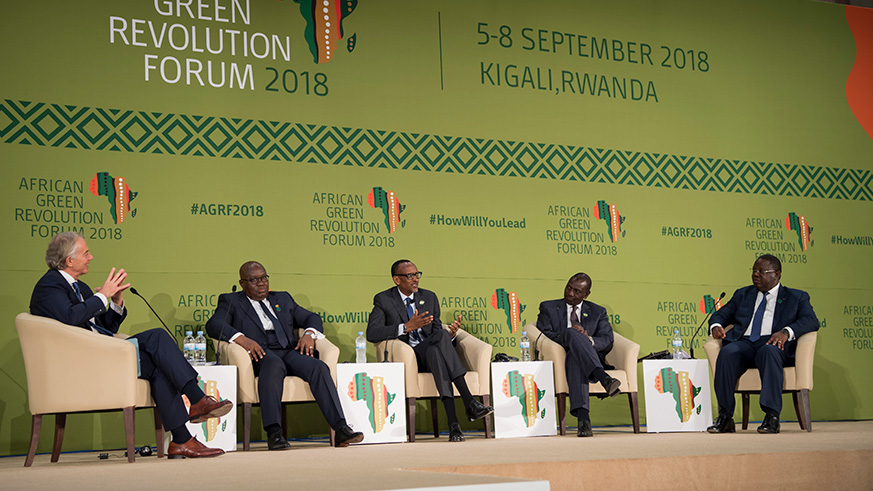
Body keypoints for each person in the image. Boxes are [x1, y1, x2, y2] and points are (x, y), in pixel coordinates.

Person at [29, 232, 231, 458]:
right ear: (69, 260)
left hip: (103, 353)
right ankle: (197, 400)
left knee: (159, 366)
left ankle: (182, 440)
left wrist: (115, 302)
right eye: (86, 253)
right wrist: (102, 296)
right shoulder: (49, 286)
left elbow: (105, 328)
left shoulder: (81, 288)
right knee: (157, 337)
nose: (91, 257)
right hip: (79, 364)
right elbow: (69, 317)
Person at [205, 261, 363, 450]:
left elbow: (312, 318)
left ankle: (341, 429)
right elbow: (214, 325)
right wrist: (242, 339)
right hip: (260, 353)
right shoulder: (231, 301)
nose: (261, 283)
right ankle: (274, 433)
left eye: (264, 278)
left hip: (288, 350)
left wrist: (308, 334)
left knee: (318, 367)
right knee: (273, 365)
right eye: (254, 280)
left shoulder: (283, 298)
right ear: (242, 283)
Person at [366, 260, 493, 442]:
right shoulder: (384, 299)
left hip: (430, 353)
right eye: (409, 276)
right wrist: (406, 327)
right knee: (438, 342)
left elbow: (435, 333)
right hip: (410, 356)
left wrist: (450, 336)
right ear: (396, 280)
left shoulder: (429, 297)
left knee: (436, 351)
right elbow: (372, 332)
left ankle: (453, 425)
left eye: (417, 274)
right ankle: (469, 401)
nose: (415, 279)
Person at [707, 254, 819, 434]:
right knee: (727, 353)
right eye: (754, 271)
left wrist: (786, 332)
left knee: (769, 352)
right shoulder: (743, 294)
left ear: (777, 274)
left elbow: (811, 321)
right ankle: (725, 417)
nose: (755, 275)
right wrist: (716, 325)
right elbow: (722, 314)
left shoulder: (796, 297)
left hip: (772, 343)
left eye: (761, 271)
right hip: (745, 343)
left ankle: (771, 417)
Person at [535, 273, 621, 437]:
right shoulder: (548, 307)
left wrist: (587, 339)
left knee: (575, 358)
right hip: (559, 354)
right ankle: (603, 378)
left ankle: (583, 420)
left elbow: (607, 340)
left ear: (586, 294)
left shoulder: (597, 312)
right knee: (571, 333)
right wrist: (571, 335)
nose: (570, 293)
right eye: (568, 287)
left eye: (576, 291)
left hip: (582, 358)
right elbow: (544, 334)